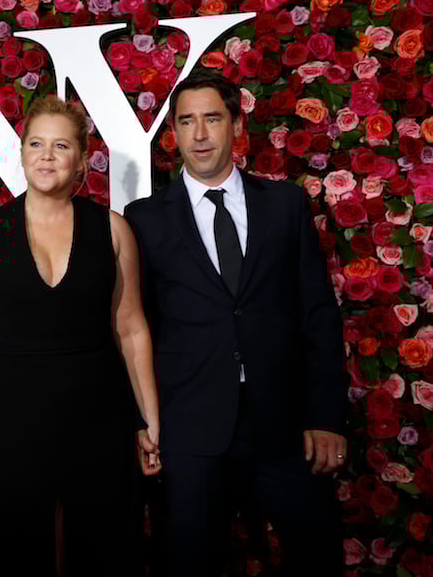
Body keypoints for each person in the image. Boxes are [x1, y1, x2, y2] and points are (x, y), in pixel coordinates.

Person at [125, 70, 346, 576]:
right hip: (189, 432)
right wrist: (143, 423)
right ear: (173, 134)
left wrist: (327, 416)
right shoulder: (145, 220)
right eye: (186, 122)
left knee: (318, 557)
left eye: (211, 119)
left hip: (286, 428)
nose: (199, 134)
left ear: (236, 125)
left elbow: (316, 313)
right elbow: (135, 330)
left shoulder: (285, 206)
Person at [0, 95, 160, 576]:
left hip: (98, 412)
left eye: (60, 145)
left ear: (81, 159)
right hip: (11, 414)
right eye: (36, 144)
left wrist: (147, 418)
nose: (46, 155)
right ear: (21, 153)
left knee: (104, 545)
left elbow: (130, 328)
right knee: (12, 549)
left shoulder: (112, 230)